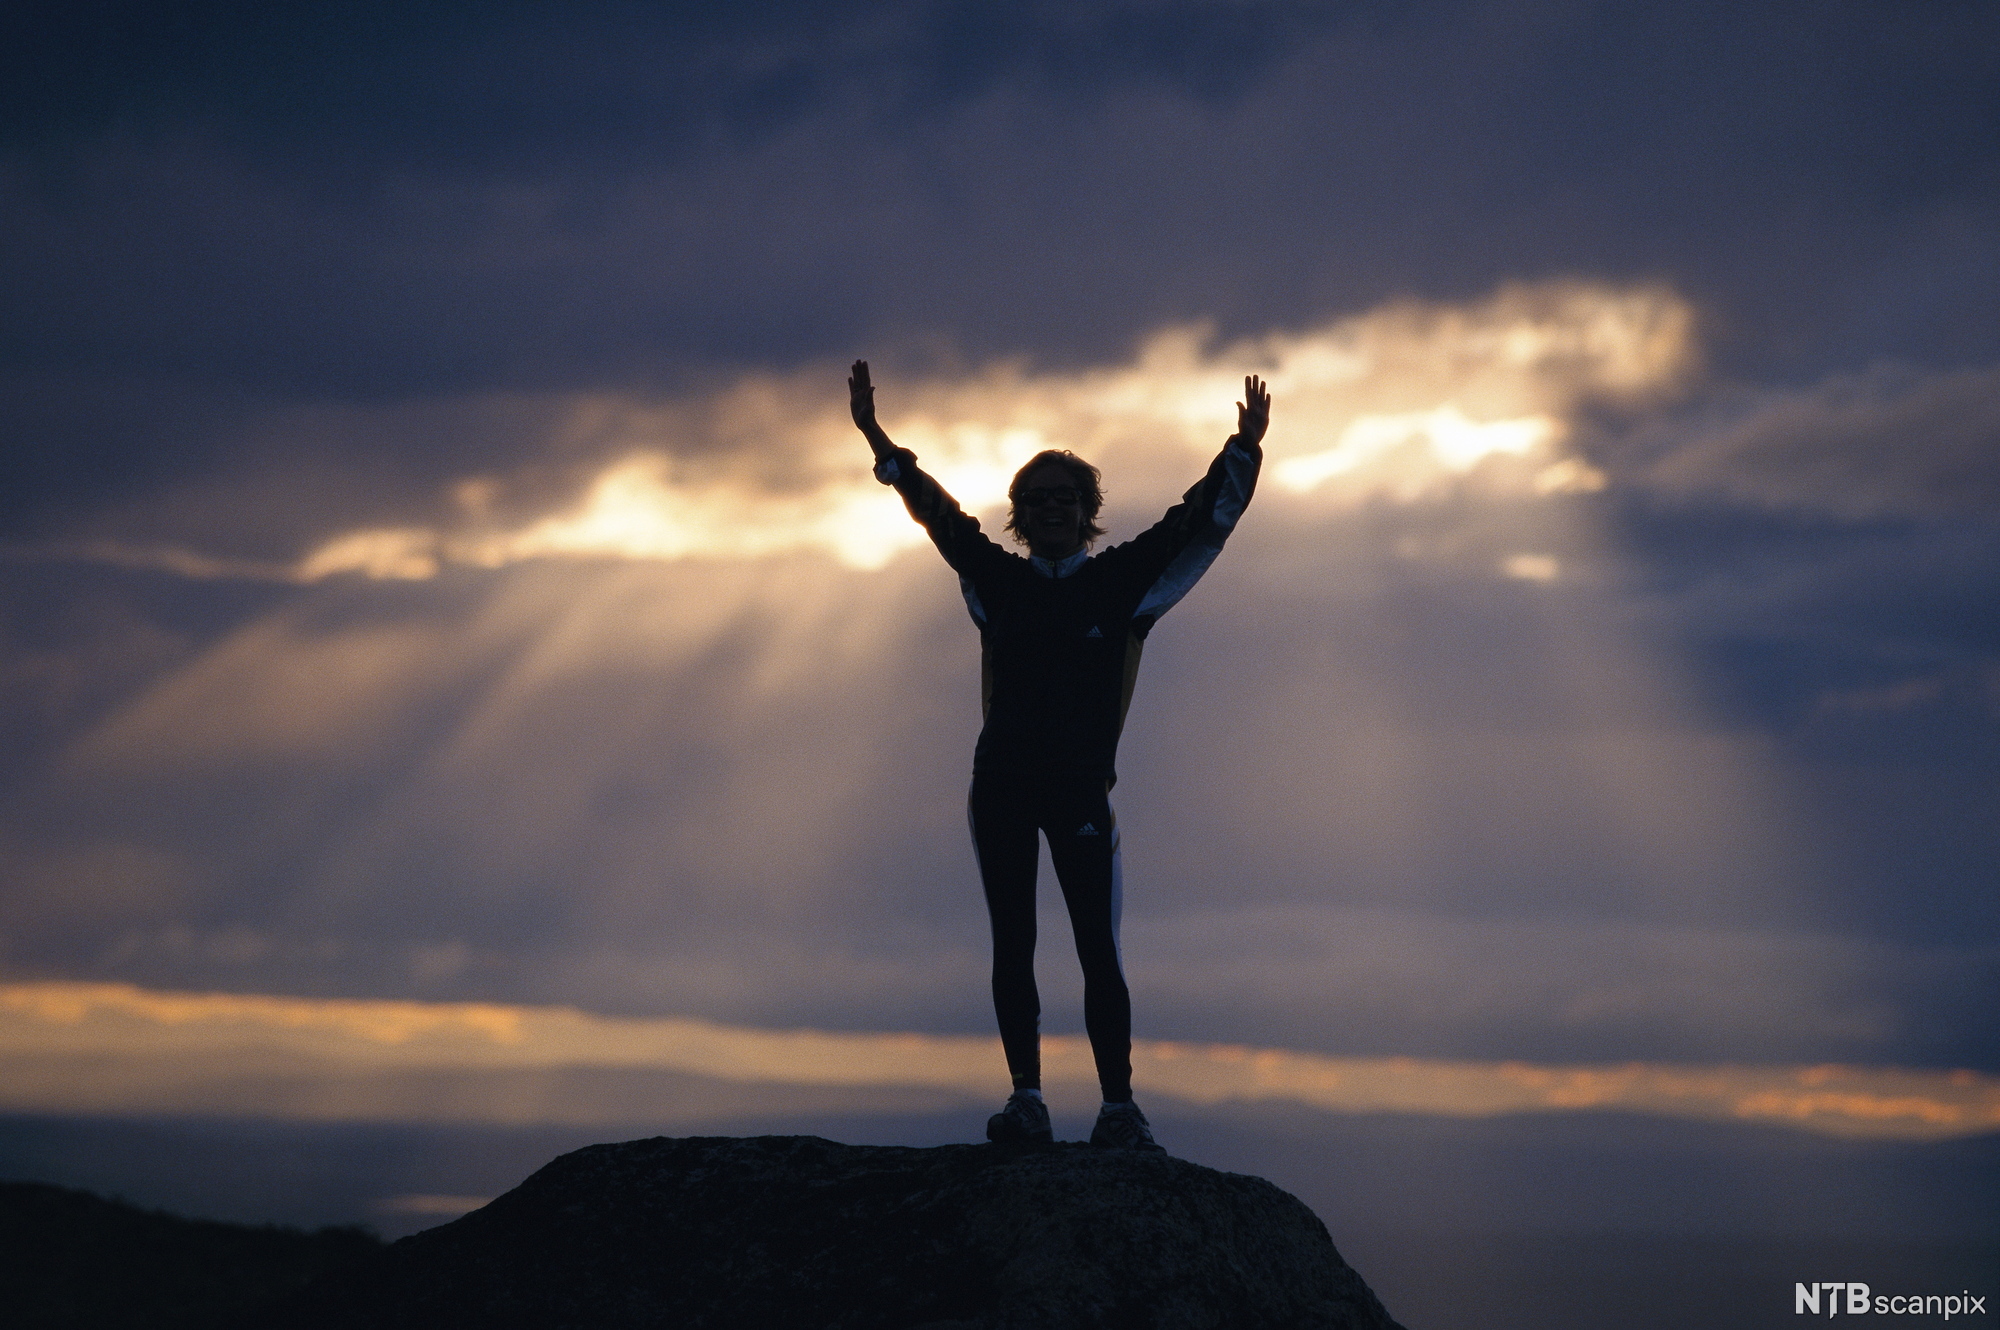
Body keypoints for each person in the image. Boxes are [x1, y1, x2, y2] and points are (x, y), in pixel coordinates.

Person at [849, 360, 1268, 1151]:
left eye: (1064, 499)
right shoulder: (997, 584)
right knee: (1014, 944)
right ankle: (1028, 1101)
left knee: (1096, 950)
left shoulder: (1120, 586)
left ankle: (1119, 1109)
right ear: (1018, 516)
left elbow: (1195, 519)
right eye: (1034, 500)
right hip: (1000, 789)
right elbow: (939, 517)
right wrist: (880, 442)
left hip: (1080, 795)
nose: (1049, 510)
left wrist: (1242, 449)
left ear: (1087, 514)